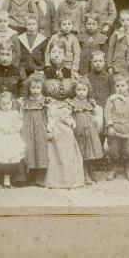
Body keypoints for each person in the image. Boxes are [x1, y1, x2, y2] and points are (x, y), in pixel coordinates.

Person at [38, 39, 85, 189]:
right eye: (53, 52)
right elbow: (35, 90)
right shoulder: (44, 73)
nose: (56, 55)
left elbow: (78, 91)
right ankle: (50, 178)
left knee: (66, 135)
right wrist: (44, 99)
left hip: (66, 108)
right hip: (49, 108)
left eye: (60, 52)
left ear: (65, 55)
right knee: (50, 135)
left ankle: (69, 178)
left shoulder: (71, 73)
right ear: (49, 54)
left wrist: (70, 102)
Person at [67, 77, 104, 185]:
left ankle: (91, 170)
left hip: (90, 131)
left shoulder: (89, 103)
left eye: (84, 90)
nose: (81, 93)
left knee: (90, 152)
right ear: (74, 91)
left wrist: (95, 106)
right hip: (79, 131)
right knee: (82, 152)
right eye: (78, 90)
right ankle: (85, 173)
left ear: (88, 91)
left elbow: (96, 114)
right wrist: (71, 123)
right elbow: (66, 115)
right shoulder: (71, 103)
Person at [104, 74, 129, 181]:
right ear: (115, 87)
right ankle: (113, 168)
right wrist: (110, 126)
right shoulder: (111, 99)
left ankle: (128, 168)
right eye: (118, 86)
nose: (120, 88)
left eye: (123, 85)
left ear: (128, 86)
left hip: (127, 131)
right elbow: (107, 114)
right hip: (115, 130)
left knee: (128, 151)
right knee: (113, 150)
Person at [19, 73, 49, 184]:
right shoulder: (24, 101)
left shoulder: (46, 101)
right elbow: (20, 115)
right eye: (33, 87)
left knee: (40, 150)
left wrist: (49, 129)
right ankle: (28, 176)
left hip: (41, 128)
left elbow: (50, 115)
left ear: (42, 88)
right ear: (29, 88)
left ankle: (39, 178)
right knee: (28, 150)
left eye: (38, 87)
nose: (35, 90)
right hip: (27, 129)